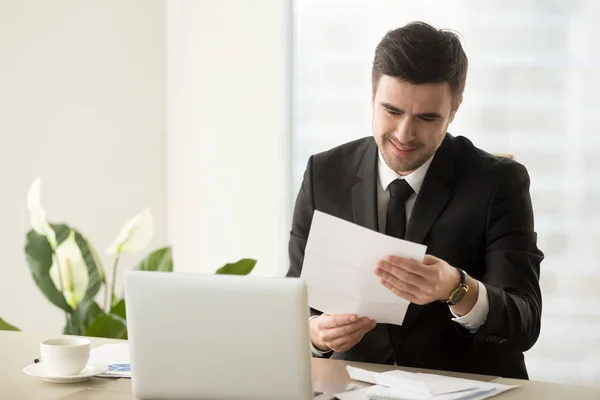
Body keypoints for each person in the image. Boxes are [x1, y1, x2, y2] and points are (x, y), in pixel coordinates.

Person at [286, 21, 544, 379]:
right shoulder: (323, 173)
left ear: (454, 110)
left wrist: (458, 288)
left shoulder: (499, 183)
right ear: (372, 96)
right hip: (353, 387)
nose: (404, 134)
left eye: (426, 117)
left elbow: (525, 321)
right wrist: (317, 336)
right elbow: (296, 306)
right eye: (392, 111)